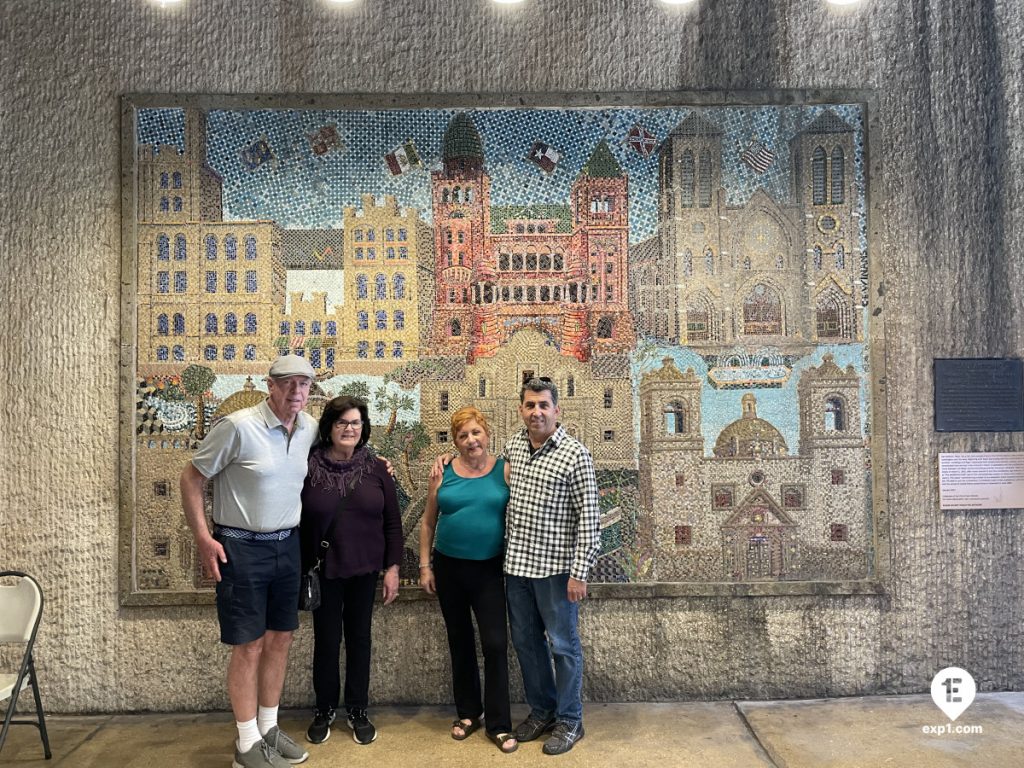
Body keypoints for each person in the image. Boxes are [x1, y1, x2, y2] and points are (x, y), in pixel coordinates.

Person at [181, 354, 316, 768]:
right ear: (270, 385)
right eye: (288, 383)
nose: (296, 392)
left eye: (304, 384)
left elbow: (347, 444)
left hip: (287, 545)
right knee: (249, 645)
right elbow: (191, 478)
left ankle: (269, 729)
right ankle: (245, 744)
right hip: (241, 547)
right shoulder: (238, 426)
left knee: (281, 638)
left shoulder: (308, 426)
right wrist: (204, 539)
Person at [504, 377, 600, 755]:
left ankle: (570, 719)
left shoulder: (576, 455)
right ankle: (542, 710)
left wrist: (580, 572)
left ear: (557, 410)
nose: (536, 412)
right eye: (530, 405)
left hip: (557, 573)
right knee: (526, 645)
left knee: (563, 646)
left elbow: (589, 518)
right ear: (521, 409)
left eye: (544, 405)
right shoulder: (513, 445)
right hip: (517, 569)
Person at [299, 396, 402, 747]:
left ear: (364, 428)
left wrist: (392, 568)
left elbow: (392, 523)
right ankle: (324, 708)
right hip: (323, 571)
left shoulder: (377, 469)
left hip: (365, 571)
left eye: (355, 423)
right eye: (342, 422)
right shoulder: (307, 467)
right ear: (329, 427)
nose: (349, 429)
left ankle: (357, 709)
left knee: (360, 641)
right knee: (326, 642)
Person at [419, 407, 517, 754]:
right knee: (459, 641)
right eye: (463, 435)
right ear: (455, 441)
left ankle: (500, 723)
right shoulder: (442, 471)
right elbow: (428, 522)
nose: (471, 440)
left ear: (487, 434)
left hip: (489, 569)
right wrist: (425, 566)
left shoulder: (505, 469)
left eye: (476, 433)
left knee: (494, 644)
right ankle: (468, 713)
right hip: (449, 568)